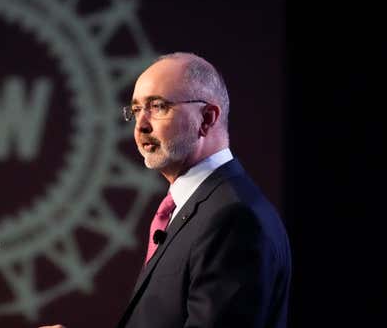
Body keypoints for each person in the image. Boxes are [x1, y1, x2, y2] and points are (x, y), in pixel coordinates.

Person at [39, 52, 291, 328]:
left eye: (157, 107)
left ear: (206, 118)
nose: (141, 125)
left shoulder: (233, 219)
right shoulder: (198, 207)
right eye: (136, 110)